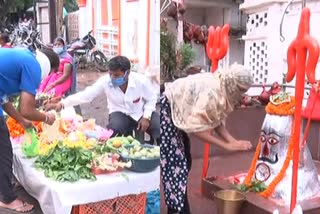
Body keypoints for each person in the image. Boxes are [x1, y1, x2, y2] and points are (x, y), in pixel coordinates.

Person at [161, 63, 253, 213]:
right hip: (168, 110)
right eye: (241, 90)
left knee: (186, 161)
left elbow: (213, 119)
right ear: (233, 83)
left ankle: (180, 205)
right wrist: (226, 146)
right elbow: (196, 128)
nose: (241, 94)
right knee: (176, 166)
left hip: (178, 112)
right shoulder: (213, 91)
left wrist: (232, 141)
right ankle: (177, 209)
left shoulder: (222, 84)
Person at [45, 55, 160, 144]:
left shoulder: (141, 80)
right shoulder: (106, 81)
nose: (112, 78)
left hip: (139, 112)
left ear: (127, 73)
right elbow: (86, 95)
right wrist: (62, 104)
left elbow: (152, 98)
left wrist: (146, 117)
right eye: (110, 74)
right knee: (114, 131)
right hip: (118, 112)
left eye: (116, 75)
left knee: (159, 126)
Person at [0, 48, 59, 213]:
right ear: (51, 68)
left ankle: (5, 188)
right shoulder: (34, 66)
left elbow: (3, 99)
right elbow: (26, 108)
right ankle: (7, 199)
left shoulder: (24, 57)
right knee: (4, 150)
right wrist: (47, 117)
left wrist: (22, 121)